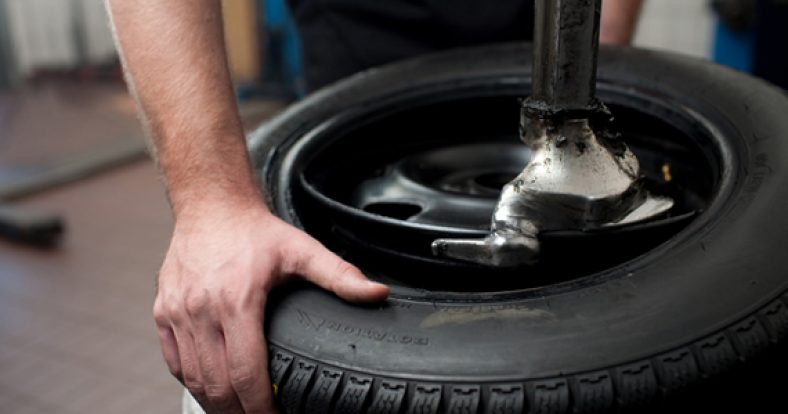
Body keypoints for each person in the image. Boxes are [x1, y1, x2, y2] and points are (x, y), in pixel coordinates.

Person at [106, 1, 643, 413]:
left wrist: (590, 76)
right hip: (354, 90)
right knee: (229, 332)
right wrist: (213, 207)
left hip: (537, 71)